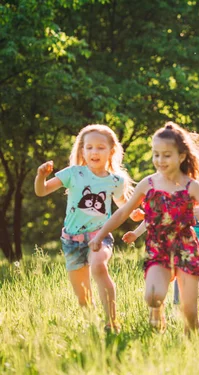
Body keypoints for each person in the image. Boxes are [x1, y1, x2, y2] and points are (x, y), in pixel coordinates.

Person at [89, 122, 199, 335]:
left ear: (182, 156)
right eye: (156, 154)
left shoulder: (191, 186)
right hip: (159, 247)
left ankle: (192, 348)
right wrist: (101, 235)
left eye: (167, 155)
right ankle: (157, 312)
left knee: (189, 311)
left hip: (186, 247)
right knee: (152, 295)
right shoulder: (147, 184)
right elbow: (122, 213)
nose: (160, 160)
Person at [34, 124, 142, 333]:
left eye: (101, 147)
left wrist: (134, 213)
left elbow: (122, 203)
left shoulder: (115, 180)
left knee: (99, 266)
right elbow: (42, 191)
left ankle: (112, 321)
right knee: (82, 295)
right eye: (89, 147)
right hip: (72, 241)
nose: (94, 152)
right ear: (82, 150)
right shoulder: (73, 173)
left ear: (111, 151)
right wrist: (40, 177)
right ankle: (92, 324)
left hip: (99, 236)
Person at [122, 201, 199, 303]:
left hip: (197, 250)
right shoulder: (169, 196)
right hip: (176, 249)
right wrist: (136, 233)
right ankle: (176, 307)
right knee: (178, 278)